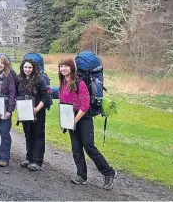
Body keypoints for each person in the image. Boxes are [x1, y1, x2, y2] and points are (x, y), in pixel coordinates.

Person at [58, 58, 117, 190]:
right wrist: (65, 120)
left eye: (66, 66)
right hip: (70, 118)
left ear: (72, 68)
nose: (63, 69)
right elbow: (63, 102)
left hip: (83, 118)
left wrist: (74, 120)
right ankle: (81, 176)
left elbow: (84, 106)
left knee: (89, 146)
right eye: (61, 67)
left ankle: (109, 172)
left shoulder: (80, 83)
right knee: (76, 148)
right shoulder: (63, 82)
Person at [16, 59, 52, 171]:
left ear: (34, 68)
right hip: (25, 112)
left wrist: (36, 109)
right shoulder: (19, 79)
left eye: (30, 67)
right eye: (25, 67)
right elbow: (17, 95)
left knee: (38, 136)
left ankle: (37, 161)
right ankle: (29, 158)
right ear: (22, 68)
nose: (27, 69)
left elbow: (45, 97)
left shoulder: (40, 80)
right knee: (28, 134)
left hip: (38, 112)